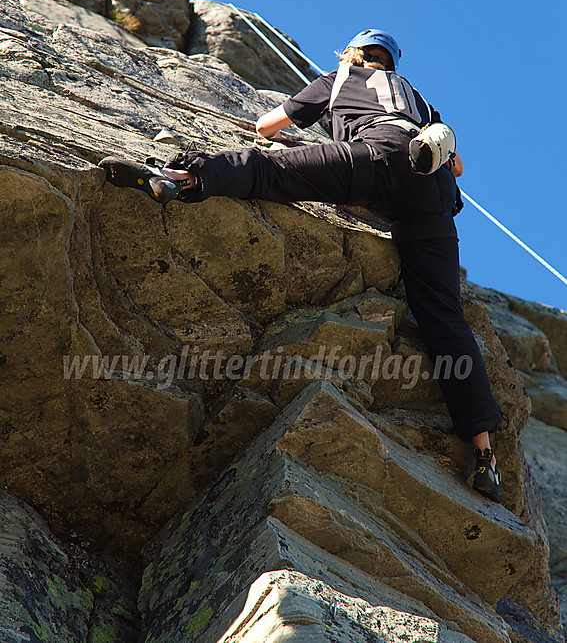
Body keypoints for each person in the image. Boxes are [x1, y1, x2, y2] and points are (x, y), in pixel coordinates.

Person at [99, 29, 504, 502]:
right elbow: (457, 168)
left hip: (371, 158)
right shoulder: (417, 98)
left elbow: (267, 126)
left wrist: (301, 128)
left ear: (354, 53)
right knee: (445, 319)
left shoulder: (340, 77)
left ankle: (179, 177)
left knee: (267, 170)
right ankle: (483, 456)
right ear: (392, 62)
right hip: (432, 188)